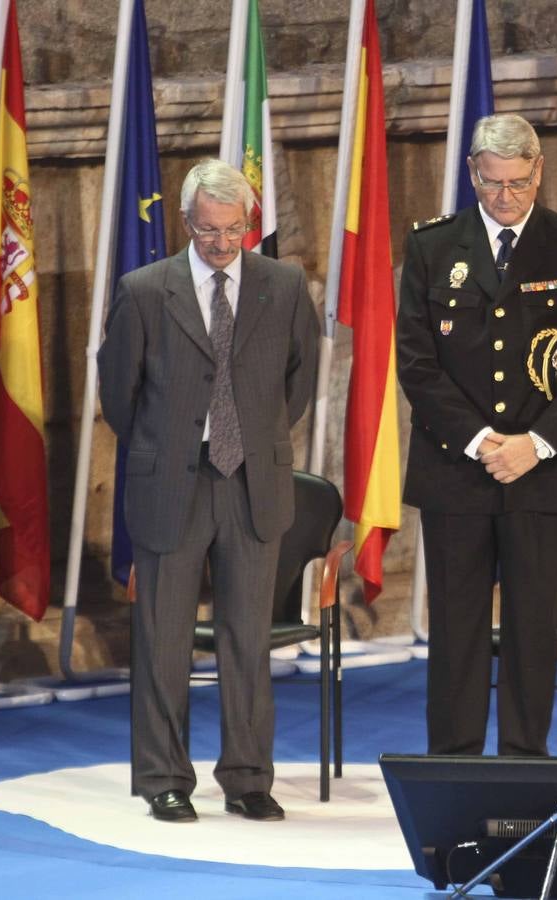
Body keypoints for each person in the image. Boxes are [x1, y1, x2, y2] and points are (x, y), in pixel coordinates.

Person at [99, 159, 320, 823]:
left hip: (252, 482)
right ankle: (165, 778)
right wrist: (168, 447)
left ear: (249, 224)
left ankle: (248, 779)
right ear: (186, 223)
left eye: (233, 230)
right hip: (172, 483)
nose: (221, 243)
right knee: (163, 637)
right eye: (207, 231)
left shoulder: (283, 285)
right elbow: (119, 393)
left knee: (246, 639)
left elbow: (299, 379)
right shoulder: (144, 290)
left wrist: (251, 435)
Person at [396, 113, 557, 756]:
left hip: (542, 471)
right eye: (492, 184)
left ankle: (526, 761)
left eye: (519, 184)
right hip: (456, 469)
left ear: (538, 172)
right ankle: (455, 767)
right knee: (457, 630)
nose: (506, 198)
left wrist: (536, 445)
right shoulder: (434, 245)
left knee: (531, 629)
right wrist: (480, 441)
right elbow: (416, 361)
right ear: (472, 173)